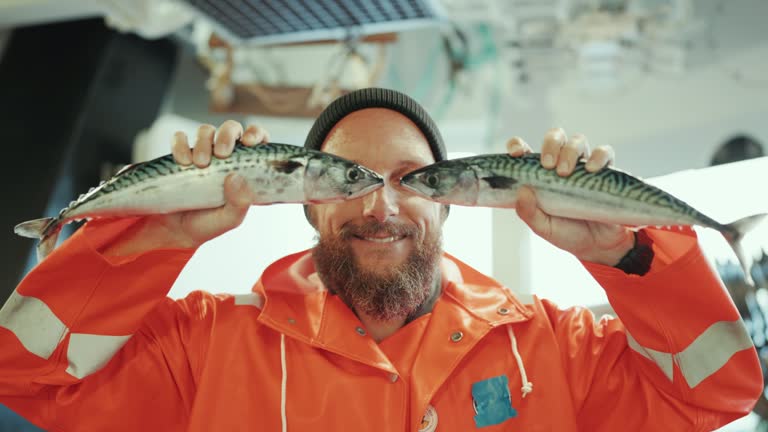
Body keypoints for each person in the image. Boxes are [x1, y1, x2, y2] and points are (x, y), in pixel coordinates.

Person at [0, 87, 761, 431]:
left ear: (449, 198)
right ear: (305, 202)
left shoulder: (553, 351)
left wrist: (628, 251)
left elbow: (712, 395)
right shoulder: (204, 349)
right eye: (350, 181)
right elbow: (26, 373)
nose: (380, 207)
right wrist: (153, 231)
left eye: (408, 181)